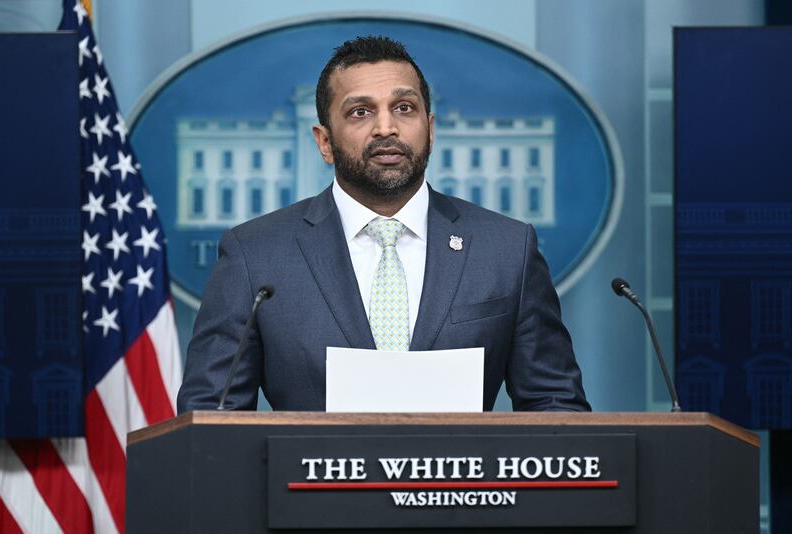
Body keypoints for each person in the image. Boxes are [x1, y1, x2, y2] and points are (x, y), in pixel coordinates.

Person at [177, 36, 590, 412]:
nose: (386, 127)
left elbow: (555, 407)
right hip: (306, 493)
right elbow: (213, 417)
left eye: (404, 108)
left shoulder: (506, 249)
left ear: (429, 130)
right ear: (324, 141)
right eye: (360, 112)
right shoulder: (256, 254)